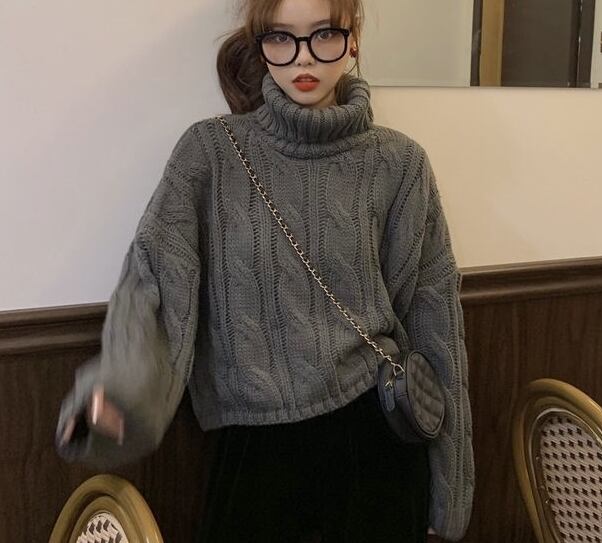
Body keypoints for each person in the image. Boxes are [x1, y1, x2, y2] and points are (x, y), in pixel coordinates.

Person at [55, 0, 474, 541]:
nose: (303, 57)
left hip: (375, 448)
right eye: (281, 37)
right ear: (260, 45)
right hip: (254, 461)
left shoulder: (401, 164)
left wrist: (449, 498)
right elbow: (154, 286)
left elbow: (435, 326)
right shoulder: (209, 154)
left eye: (324, 34)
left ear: (353, 38)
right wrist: (120, 392)